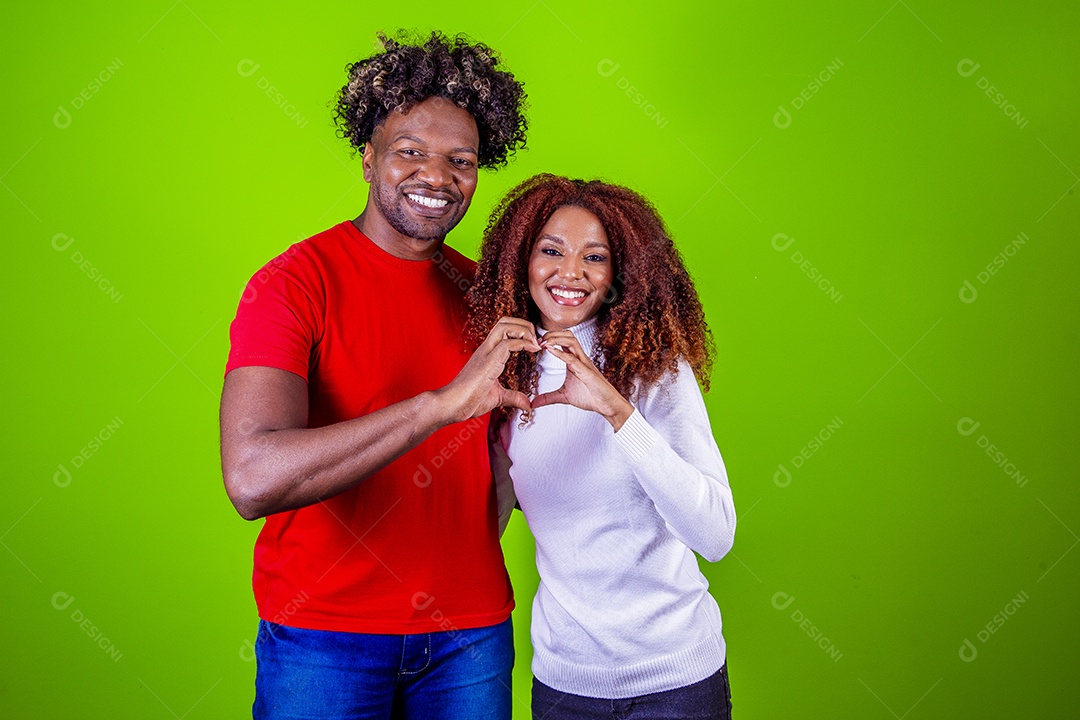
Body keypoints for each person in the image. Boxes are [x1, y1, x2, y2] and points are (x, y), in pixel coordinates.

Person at [219, 31, 538, 720]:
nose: (437, 176)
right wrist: (437, 407)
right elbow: (251, 478)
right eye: (411, 152)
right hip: (324, 635)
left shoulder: (484, 293)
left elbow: (507, 455)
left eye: (462, 160)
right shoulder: (292, 285)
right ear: (368, 159)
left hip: (471, 634)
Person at [467, 174, 738, 719]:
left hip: (677, 681)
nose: (570, 273)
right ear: (521, 259)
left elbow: (715, 535)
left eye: (595, 257)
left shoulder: (654, 369)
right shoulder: (506, 371)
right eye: (551, 251)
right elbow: (489, 529)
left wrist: (618, 411)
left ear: (620, 274)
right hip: (565, 683)